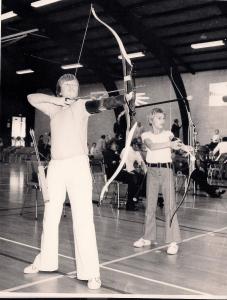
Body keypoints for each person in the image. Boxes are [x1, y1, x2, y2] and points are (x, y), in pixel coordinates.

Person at [24, 73, 133, 289]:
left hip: (78, 166)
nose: (73, 87)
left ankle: (91, 272)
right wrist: (56, 101)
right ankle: (46, 261)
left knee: (83, 219)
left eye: (75, 85)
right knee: (50, 216)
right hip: (55, 167)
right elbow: (31, 97)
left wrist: (124, 99)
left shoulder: (82, 105)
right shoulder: (53, 108)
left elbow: (101, 104)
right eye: (68, 85)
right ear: (60, 90)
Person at [134, 108, 182, 255]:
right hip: (152, 171)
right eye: (159, 118)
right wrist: (169, 144)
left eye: (163, 118)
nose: (162, 121)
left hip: (166, 170)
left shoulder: (169, 134)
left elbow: (177, 143)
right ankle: (148, 237)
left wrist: (185, 147)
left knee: (169, 206)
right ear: (151, 120)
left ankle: (173, 241)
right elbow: (152, 146)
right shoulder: (145, 135)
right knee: (150, 206)